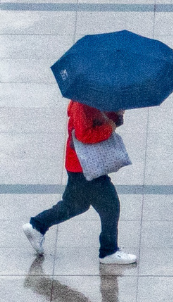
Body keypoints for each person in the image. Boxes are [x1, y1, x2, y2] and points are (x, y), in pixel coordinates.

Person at [22, 101, 137, 264]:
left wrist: (116, 114)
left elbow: (99, 119)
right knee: (110, 205)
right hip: (85, 166)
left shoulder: (90, 99)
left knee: (75, 204)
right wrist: (109, 127)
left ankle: (37, 226)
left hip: (79, 165)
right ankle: (108, 251)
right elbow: (84, 135)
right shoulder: (81, 105)